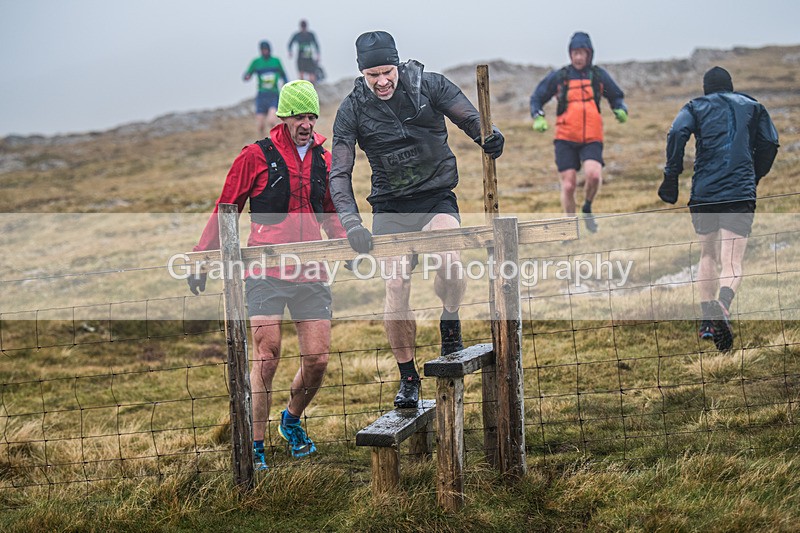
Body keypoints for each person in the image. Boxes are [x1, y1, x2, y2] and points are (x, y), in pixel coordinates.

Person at [329, 31, 505, 408]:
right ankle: (408, 378)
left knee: (450, 262)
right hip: (390, 209)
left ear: (397, 64)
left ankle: (450, 320)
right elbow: (339, 172)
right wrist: (351, 223)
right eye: (372, 74)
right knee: (395, 286)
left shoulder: (429, 84)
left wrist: (488, 137)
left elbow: (470, 118)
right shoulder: (352, 109)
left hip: (436, 198)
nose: (381, 81)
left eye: (387, 71)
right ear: (362, 73)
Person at [188, 80, 347, 469]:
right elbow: (227, 207)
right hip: (265, 272)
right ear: (284, 117)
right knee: (267, 355)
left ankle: (290, 421)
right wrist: (201, 257)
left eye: (311, 115)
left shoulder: (324, 161)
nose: (306, 123)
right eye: (298, 116)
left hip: (311, 272)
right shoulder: (256, 156)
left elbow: (330, 209)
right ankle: (255, 446)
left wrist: (345, 243)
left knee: (319, 360)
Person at [659, 66, 779, 351]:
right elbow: (771, 143)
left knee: (708, 254)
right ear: (730, 86)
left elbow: (676, 131)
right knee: (733, 260)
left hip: (705, 193)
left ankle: (707, 321)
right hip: (739, 192)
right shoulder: (752, 106)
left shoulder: (695, 107)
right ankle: (722, 307)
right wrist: (755, 175)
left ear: (706, 89)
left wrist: (671, 175)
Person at [530, 31, 628, 233]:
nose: (578, 57)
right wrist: (538, 116)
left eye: (582, 53)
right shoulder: (560, 76)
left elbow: (616, 96)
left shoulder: (598, 76)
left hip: (592, 137)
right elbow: (537, 97)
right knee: (568, 186)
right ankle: (569, 227)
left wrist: (620, 108)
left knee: (593, 175)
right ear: (570, 54)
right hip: (565, 138)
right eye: (575, 53)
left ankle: (587, 207)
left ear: (589, 54)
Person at [243, 40, 288, 138]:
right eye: (263, 50)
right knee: (260, 125)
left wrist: (287, 86)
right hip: (261, 96)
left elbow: (283, 75)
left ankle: (277, 139)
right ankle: (262, 143)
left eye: (266, 50)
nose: (265, 52)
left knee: (272, 121)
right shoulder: (256, 62)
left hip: (273, 95)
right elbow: (247, 74)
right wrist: (246, 76)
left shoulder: (276, 61)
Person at [287, 20, 321, 84]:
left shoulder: (311, 35)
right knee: (301, 72)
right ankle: (302, 84)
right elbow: (290, 44)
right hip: (301, 56)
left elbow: (316, 44)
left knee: (311, 72)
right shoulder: (297, 35)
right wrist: (290, 52)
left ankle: (313, 85)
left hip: (309, 56)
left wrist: (318, 55)